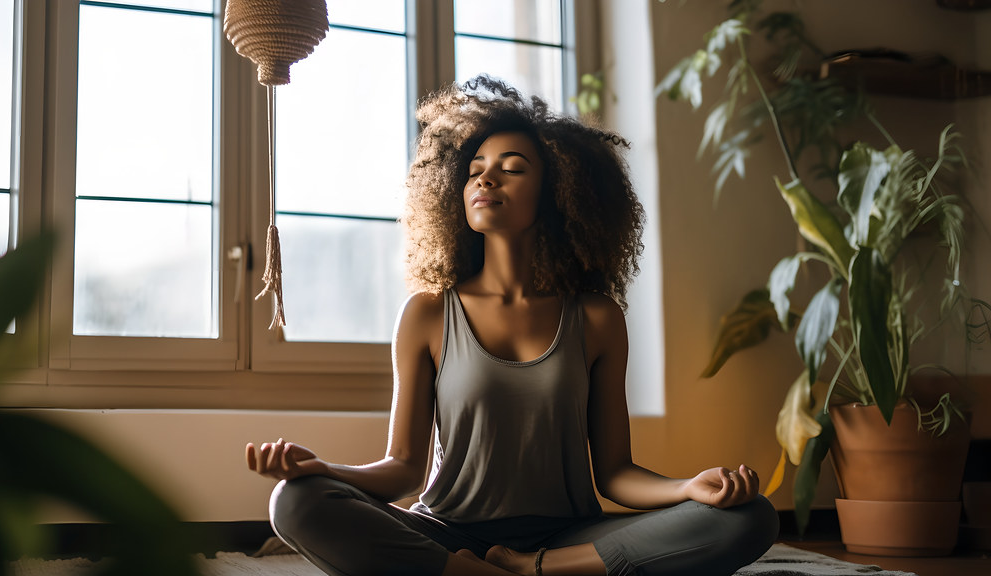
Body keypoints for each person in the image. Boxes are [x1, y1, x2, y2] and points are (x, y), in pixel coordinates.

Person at [246, 75, 778, 576]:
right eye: (475, 168)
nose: (486, 178)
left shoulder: (596, 317)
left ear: (558, 191)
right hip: (447, 532)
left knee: (751, 517)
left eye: (512, 167)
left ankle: (535, 570)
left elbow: (616, 473)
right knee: (295, 501)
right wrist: (325, 470)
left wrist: (690, 488)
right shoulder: (428, 314)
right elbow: (404, 468)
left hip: (569, 534)